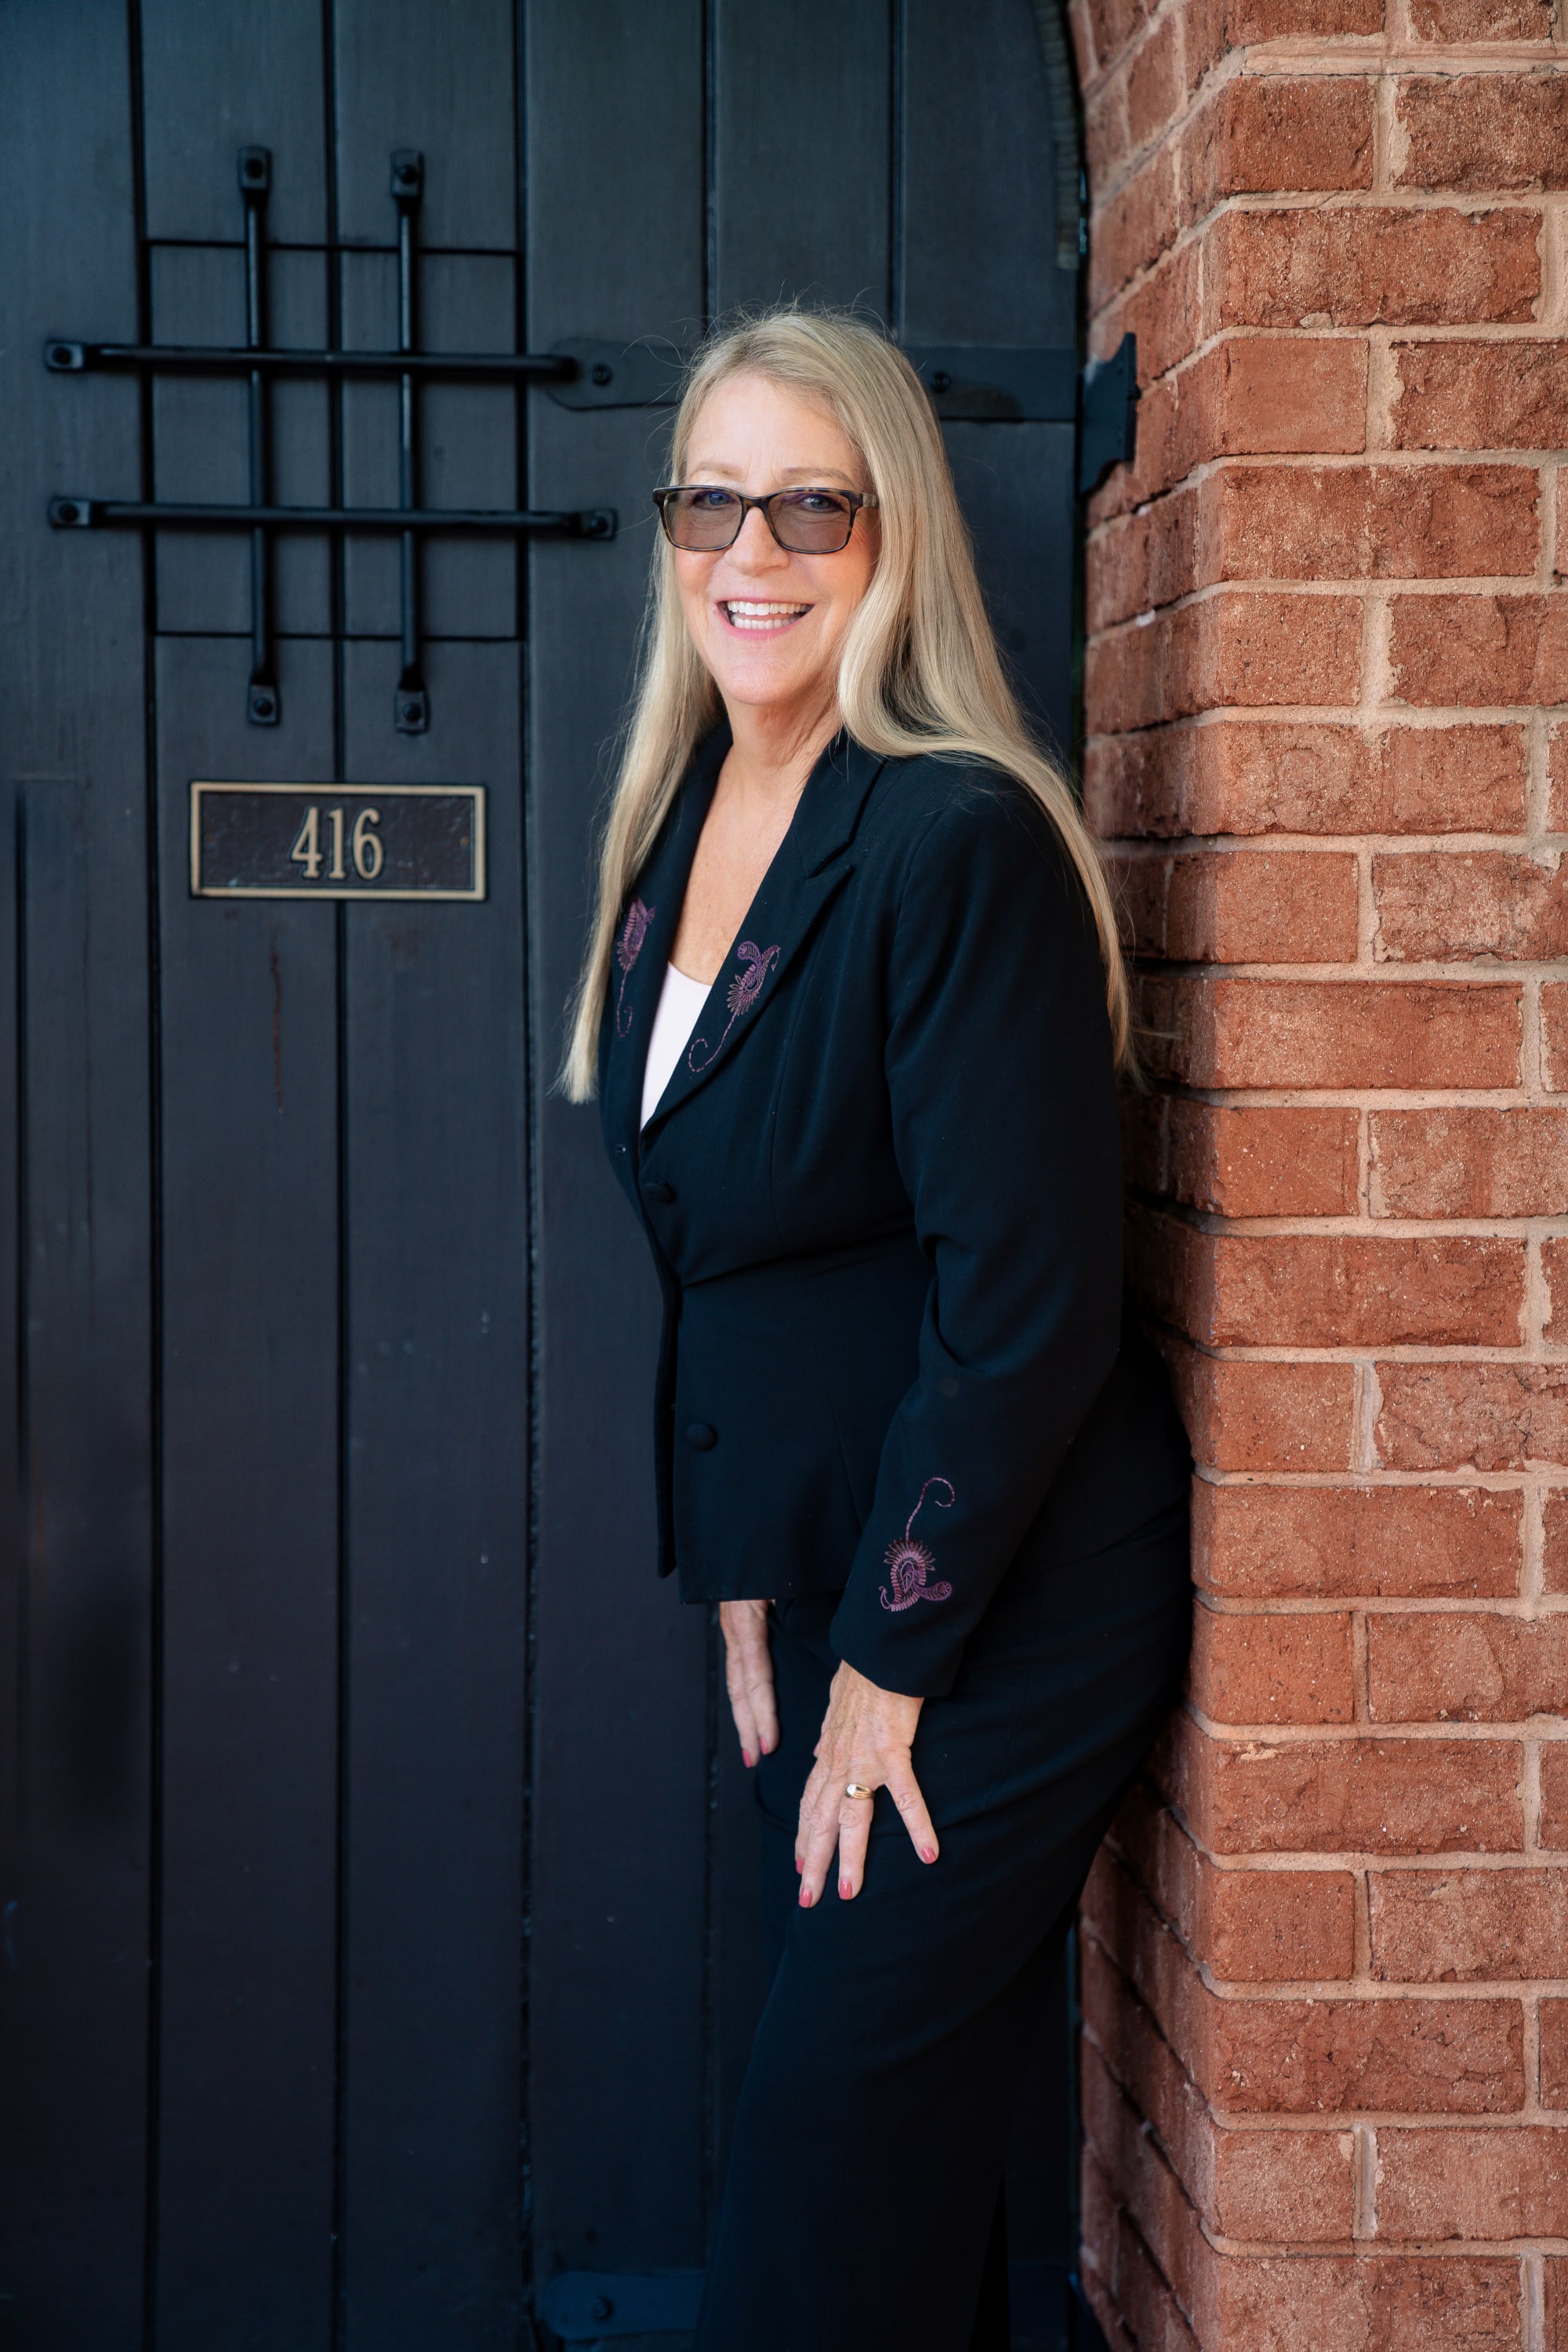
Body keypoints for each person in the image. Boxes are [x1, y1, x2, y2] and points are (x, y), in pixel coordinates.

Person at [562, 306, 1192, 2352]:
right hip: (838, 1585)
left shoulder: (953, 839)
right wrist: (757, 1562)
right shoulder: (680, 831)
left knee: (820, 2219)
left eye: (809, 507)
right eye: (711, 502)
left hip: (998, 1607)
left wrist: (890, 1659)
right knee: (895, 2203)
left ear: (892, 533)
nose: (750, 553)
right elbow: (744, 1256)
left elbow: (1025, 1308)